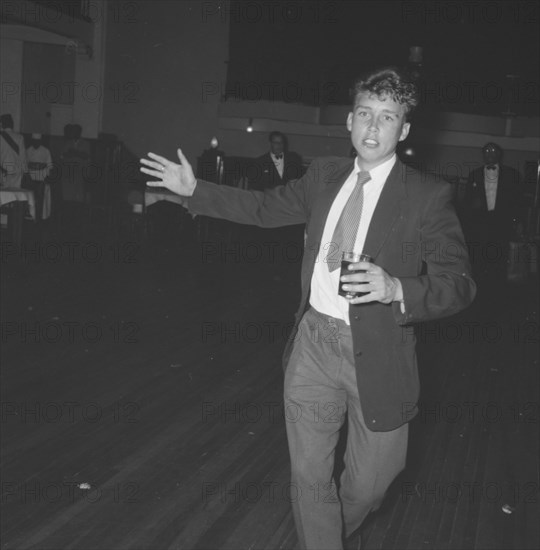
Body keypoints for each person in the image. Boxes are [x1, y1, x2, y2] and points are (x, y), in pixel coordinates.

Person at [141, 67, 476, 550]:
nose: (373, 128)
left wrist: (396, 286)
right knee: (310, 477)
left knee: (371, 484)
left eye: (387, 118)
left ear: (404, 131)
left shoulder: (427, 195)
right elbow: (263, 208)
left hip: (379, 355)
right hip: (314, 344)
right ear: (349, 121)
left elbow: (459, 284)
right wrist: (195, 190)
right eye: (365, 114)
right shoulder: (324, 174)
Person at [462, 142, 524, 283]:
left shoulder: (512, 174)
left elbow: (518, 201)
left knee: (500, 257)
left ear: (499, 154)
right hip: (480, 223)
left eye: (493, 150)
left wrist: (518, 222)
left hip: (501, 223)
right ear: (483, 154)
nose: (490, 153)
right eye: (487, 151)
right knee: (479, 257)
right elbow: (467, 202)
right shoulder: (474, 174)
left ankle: (498, 289)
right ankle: (479, 287)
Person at [26, 133, 53, 221]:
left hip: (42, 178)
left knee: (41, 199)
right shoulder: (28, 150)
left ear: (40, 141)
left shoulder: (46, 151)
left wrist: (48, 177)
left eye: (37, 141)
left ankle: (40, 217)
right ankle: (31, 216)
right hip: (31, 179)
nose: (35, 143)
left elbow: (49, 165)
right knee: (31, 198)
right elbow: (25, 165)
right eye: (34, 141)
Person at [0, 114, 27, 188]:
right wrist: (24, 172)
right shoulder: (20, 137)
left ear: (2, 124)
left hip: (2, 170)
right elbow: (23, 157)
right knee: (16, 194)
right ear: (12, 124)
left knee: (3, 196)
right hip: (16, 172)